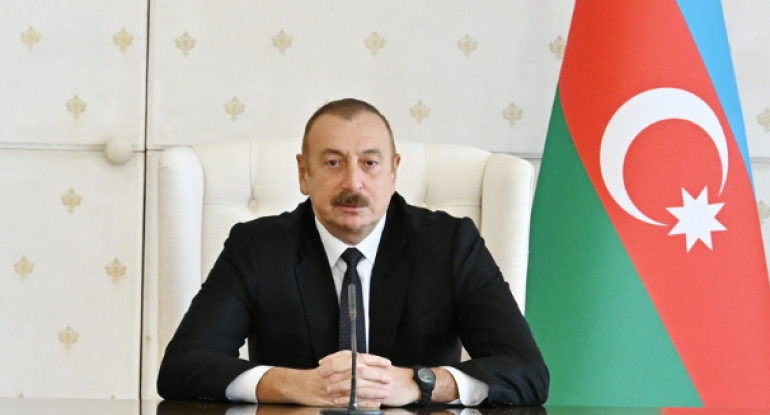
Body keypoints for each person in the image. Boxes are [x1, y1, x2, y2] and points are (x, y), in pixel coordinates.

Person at [157, 98, 549, 407]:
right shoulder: (257, 247)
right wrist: (294, 384)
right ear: (304, 174)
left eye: (370, 163)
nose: (353, 183)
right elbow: (183, 367)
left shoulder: (450, 244)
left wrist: (419, 383)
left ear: (394, 172)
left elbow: (526, 372)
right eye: (333, 163)